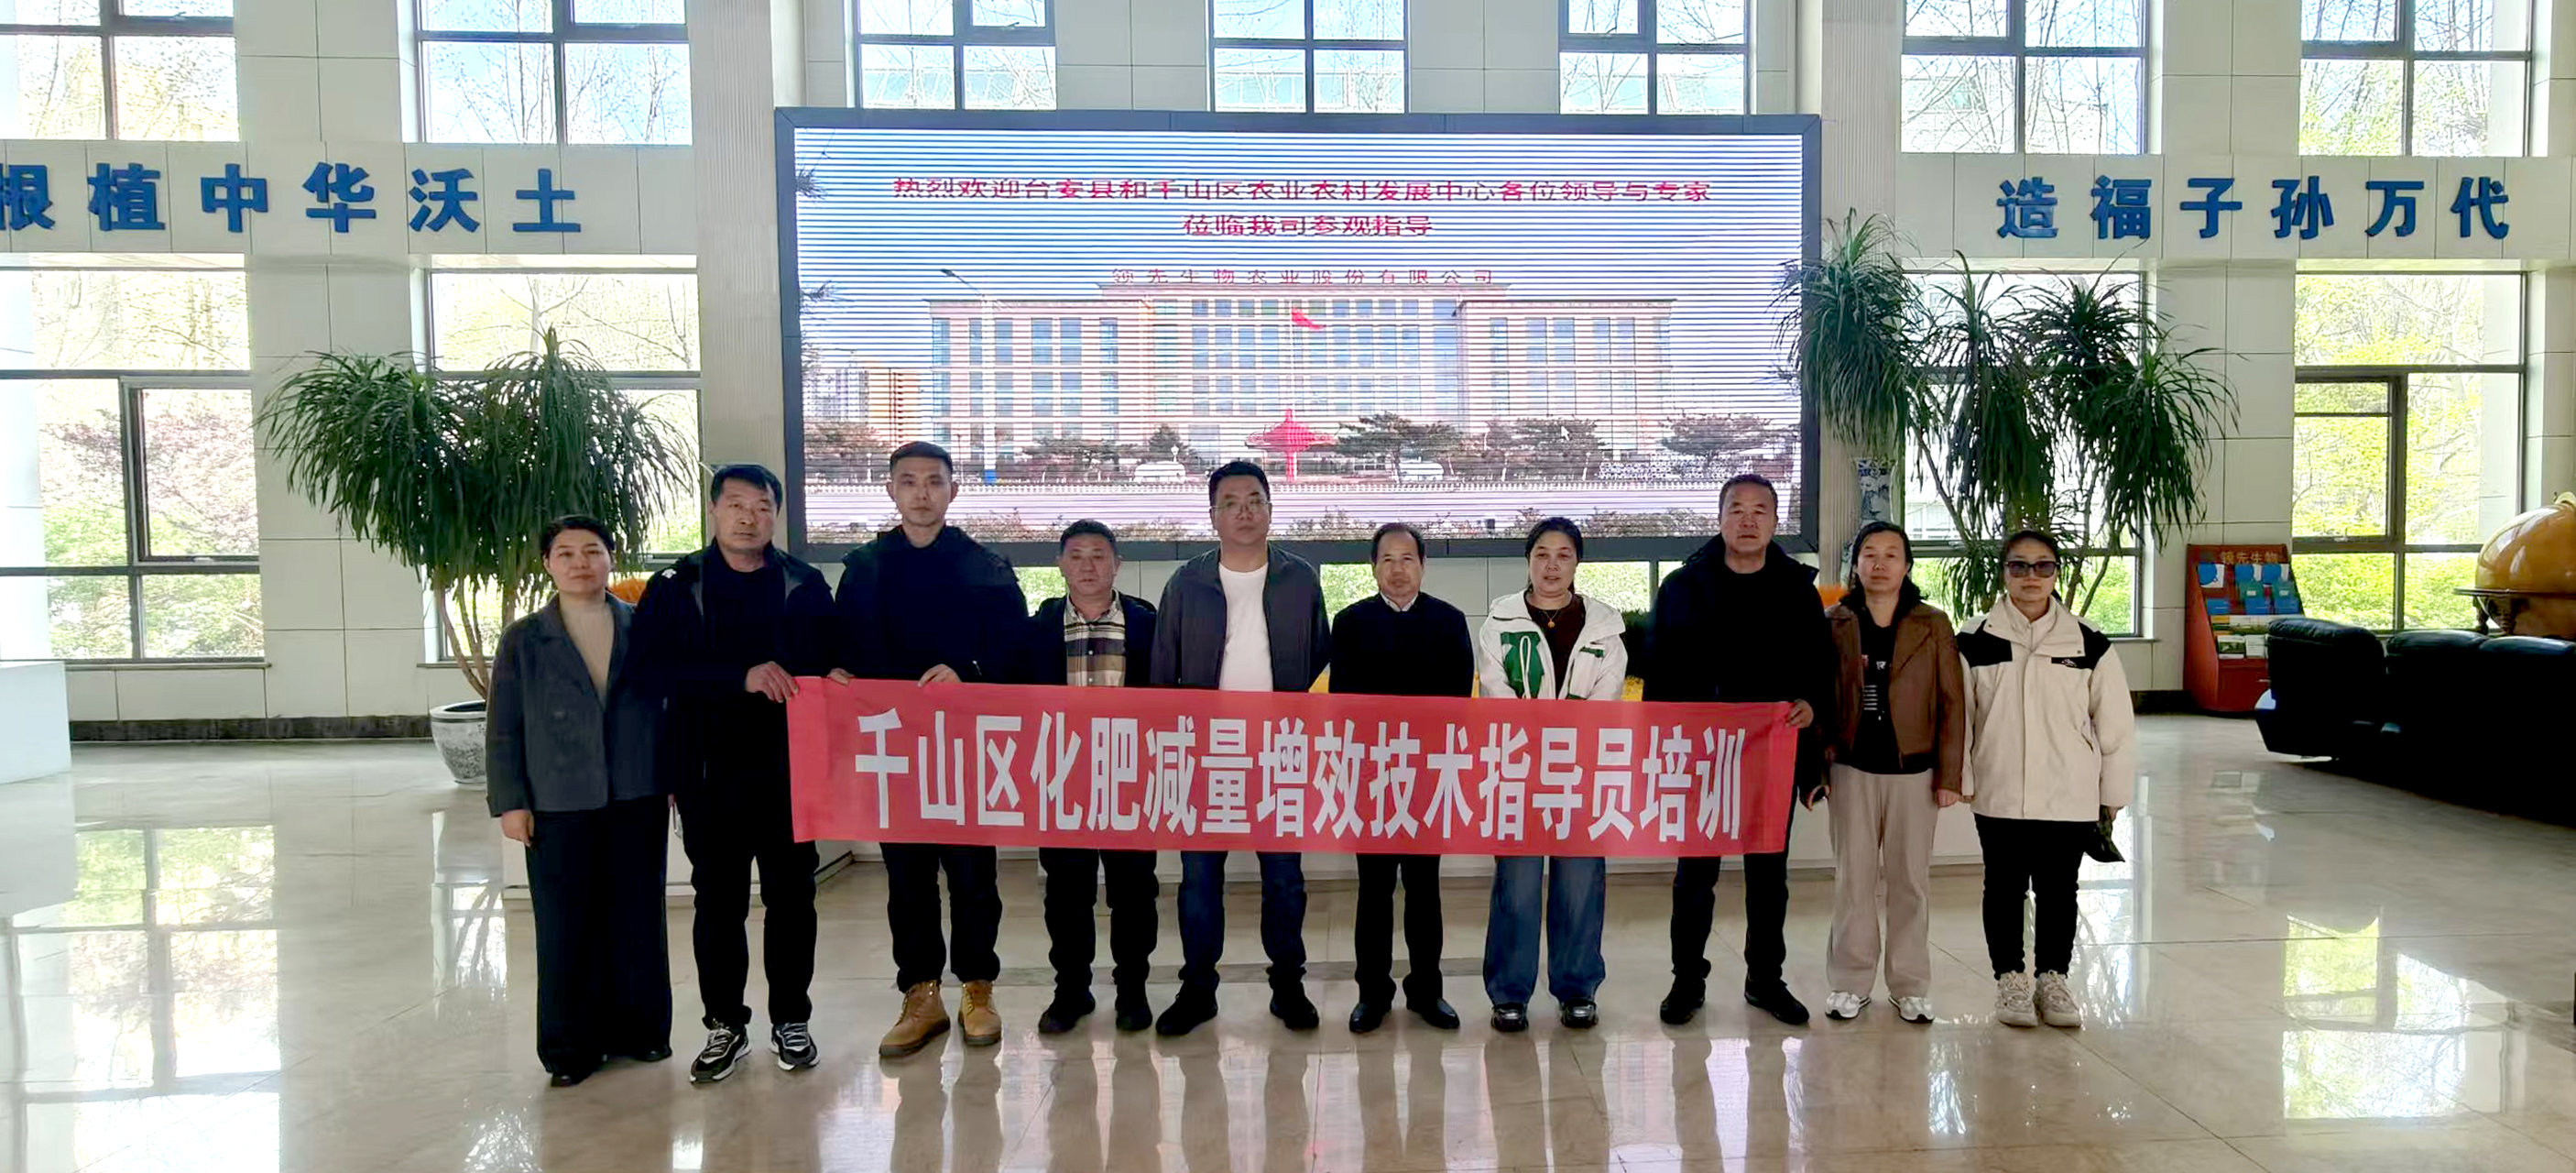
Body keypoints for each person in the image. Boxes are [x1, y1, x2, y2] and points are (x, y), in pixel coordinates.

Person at [630, 465, 838, 1083]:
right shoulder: (677, 585)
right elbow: (649, 672)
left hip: (790, 773)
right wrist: (737, 677)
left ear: (777, 513)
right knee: (718, 902)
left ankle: (791, 1019)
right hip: (708, 773)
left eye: (762, 506)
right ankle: (725, 1024)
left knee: (793, 899)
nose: (750, 517)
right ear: (715, 511)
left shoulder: (804, 582)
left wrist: (838, 675)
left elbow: (831, 659)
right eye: (737, 504)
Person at [836, 441, 1029, 1057]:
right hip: (893, 747)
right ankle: (920, 995)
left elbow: (1015, 647)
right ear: (890, 490)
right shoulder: (865, 566)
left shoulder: (985, 565)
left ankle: (978, 989)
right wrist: (836, 671)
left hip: (964, 746)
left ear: (953, 490)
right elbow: (840, 645)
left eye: (934, 481)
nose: (922, 493)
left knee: (973, 875)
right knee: (908, 877)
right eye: (909, 481)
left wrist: (968, 670)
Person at [486, 516, 671, 1087]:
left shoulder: (642, 625)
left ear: (611, 559)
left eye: (592, 551)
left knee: (637, 916)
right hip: (557, 797)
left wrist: (672, 778)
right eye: (565, 553)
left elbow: (667, 710)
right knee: (566, 924)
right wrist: (511, 802)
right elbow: (503, 726)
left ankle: (642, 1031)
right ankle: (570, 1048)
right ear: (548, 564)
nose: (580, 563)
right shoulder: (524, 638)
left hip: (636, 790)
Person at [1150, 459, 1331, 1036]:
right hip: (1206, 754)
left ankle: (1288, 986)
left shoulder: (1300, 579)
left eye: (1255, 500)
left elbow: (1320, 660)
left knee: (1285, 878)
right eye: (1230, 503)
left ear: (1270, 510)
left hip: (1280, 751)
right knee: (1200, 878)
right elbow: (1163, 675)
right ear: (1213, 516)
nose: (1244, 512)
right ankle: (1197, 990)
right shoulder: (1187, 582)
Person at [1648, 472, 1833, 1027]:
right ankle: (1686, 979)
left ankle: (1765, 980)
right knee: (1694, 877)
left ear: (1775, 522)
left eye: (1759, 510)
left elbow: (1818, 666)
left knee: (1768, 876)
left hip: (1769, 754)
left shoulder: (1797, 589)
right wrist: (1663, 748)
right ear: (1720, 518)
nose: (1748, 520)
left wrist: (1811, 704)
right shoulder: (1683, 586)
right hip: (1701, 755)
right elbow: (1661, 671)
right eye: (1737, 509)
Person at [1959, 530, 2136, 1030]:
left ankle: (2053, 979)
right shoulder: (1974, 639)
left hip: (2069, 791)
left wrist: (2112, 793)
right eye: (2019, 566)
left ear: (2056, 573)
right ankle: (2010, 980)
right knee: (2004, 887)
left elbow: (2116, 726)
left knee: (2060, 890)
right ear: (2004, 573)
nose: (2031, 577)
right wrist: (1964, 776)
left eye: (2043, 566)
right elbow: (1960, 718)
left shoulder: (2088, 641)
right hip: (2000, 789)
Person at [1477, 517, 1628, 1032]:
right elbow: (1495, 692)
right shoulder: (1499, 622)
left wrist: (1568, 742)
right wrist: (1538, 741)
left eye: (1563, 555)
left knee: (1579, 886)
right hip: (1518, 772)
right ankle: (1509, 993)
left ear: (1577, 563)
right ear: (1528, 561)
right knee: (1516, 888)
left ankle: (1577, 988)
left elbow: (1609, 693)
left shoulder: (1604, 625)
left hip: (1581, 772)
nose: (1552, 565)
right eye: (1542, 554)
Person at [1817, 521, 1965, 1025]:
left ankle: (1910, 984)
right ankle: (1850, 982)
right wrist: (1819, 767)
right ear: (1855, 564)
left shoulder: (1932, 623)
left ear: (1907, 566)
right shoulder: (1835, 620)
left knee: (1910, 882)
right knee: (1852, 880)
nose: (1879, 564)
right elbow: (1820, 698)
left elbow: (1952, 701)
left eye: (1891, 555)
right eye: (1870, 554)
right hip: (1852, 768)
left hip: (1915, 771)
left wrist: (1950, 775)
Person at [1328, 522, 1472, 1034]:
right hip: (1371, 779)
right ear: (1373, 568)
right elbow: (1342, 705)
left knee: (1424, 889)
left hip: (1428, 778)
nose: (1397, 570)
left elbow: (1458, 703)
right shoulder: (1350, 622)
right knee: (1373, 891)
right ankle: (1372, 994)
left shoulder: (1449, 621)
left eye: (1407, 559)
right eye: (1387, 560)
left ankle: (1427, 991)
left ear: (1422, 565)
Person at [1022, 520, 1162, 1036]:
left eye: (1099, 555)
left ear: (1117, 564)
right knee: (1066, 894)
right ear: (1060, 564)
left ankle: (1133, 991)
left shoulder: (1148, 624)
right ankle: (1071, 991)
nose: (1088, 566)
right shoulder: (1037, 628)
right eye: (1076, 555)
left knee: (1134, 892)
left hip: (1131, 779)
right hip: (1062, 780)